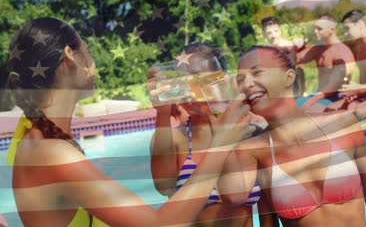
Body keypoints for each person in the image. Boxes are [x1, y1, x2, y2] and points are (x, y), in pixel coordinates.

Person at [5, 18, 254, 227]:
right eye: (87, 49)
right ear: (70, 56)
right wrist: (221, 144)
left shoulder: (35, 135)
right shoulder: (53, 153)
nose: (93, 61)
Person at [218, 46, 366, 227]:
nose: (247, 84)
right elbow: (245, 206)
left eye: (257, 72)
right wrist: (227, 133)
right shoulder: (254, 151)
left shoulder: (342, 123)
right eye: (240, 79)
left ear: (289, 77)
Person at [148, 42, 267, 227]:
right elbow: (164, 187)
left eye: (196, 78)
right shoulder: (176, 138)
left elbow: (268, 209)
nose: (187, 89)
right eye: (181, 80)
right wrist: (162, 113)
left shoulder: (251, 130)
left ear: (221, 80)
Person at [295, 14, 356, 113]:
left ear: (332, 30)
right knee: (289, 108)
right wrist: (296, 47)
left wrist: (308, 103)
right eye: (315, 28)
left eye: (319, 29)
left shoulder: (342, 53)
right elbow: (295, 60)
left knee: (309, 112)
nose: (315, 31)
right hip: (318, 95)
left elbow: (333, 86)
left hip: (337, 97)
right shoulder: (318, 48)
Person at [262, 16, 307, 96]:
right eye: (269, 33)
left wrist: (301, 42)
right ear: (264, 35)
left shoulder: (291, 46)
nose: (273, 35)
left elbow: (300, 70)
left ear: (279, 30)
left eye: (275, 31)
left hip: (297, 91)